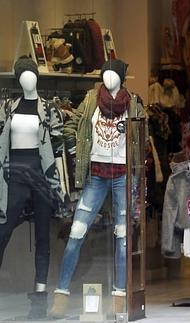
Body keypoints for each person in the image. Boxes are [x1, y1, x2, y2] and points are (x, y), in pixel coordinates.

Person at [49, 59, 146, 318]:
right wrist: (76, 151)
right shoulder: (91, 99)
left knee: (123, 237)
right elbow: (72, 125)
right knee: (77, 232)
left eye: (114, 73)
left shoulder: (134, 103)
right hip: (96, 175)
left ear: (122, 77)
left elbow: (142, 138)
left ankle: (119, 296)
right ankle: (61, 293)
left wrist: (136, 175)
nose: (109, 77)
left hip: (123, 175)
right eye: (106, 73)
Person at [0, 57, 67, 319]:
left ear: (37, 76)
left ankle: (39, 300)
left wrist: (61, 189)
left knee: (42, 238)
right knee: (3, 230)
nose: (27, 78)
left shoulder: (50, 109)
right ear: (17, 79)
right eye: (22, 74)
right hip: (14, 175)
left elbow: (58, 151)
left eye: (30, 73)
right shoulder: (7, 107)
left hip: (40, 176)